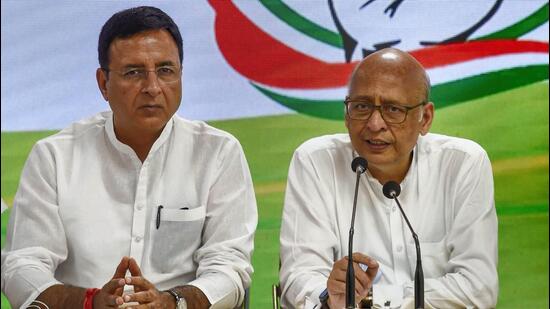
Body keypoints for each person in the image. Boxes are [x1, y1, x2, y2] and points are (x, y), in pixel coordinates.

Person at [1, 6, 257, 309]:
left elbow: (230, 267)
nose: (152, 87)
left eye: (165, 71)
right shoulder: (55, 157)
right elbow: (23, 265)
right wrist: (90, 302)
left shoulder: (218, 153)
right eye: (133, 72)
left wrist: (171, 303)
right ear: (103, 84)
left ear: (181, 75)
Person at [279, 48, 498, 308]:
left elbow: (478, 289)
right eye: (361, 106)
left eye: (393, 109)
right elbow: (299, 279)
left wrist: (373, 299)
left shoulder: (463, 164)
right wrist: (329, 297)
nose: (374, 124)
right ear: (346, 114)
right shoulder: (315, 162)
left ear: (425, 118)